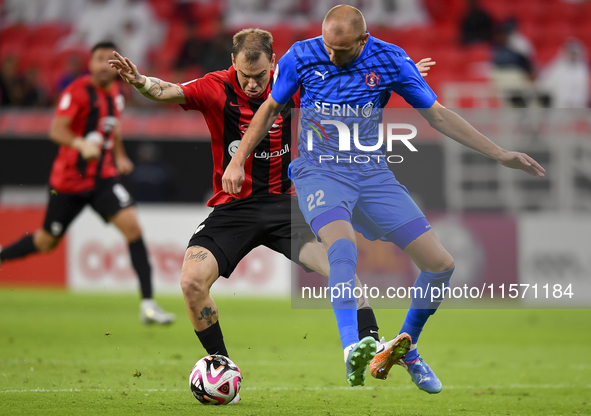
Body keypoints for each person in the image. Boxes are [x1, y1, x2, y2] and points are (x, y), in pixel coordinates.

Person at [222, 5, 546, 391]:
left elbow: (438, 115)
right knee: (342, 248)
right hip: (319, 171)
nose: (332, 55)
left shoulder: (391, 60)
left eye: (341, 51)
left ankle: (405, 349)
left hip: (372, 175)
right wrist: (238, 160)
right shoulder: (301, 55)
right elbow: (271, 108)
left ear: (363, 40)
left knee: (440, 264)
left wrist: (500, 154)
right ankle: (352, 349)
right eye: (328, 46)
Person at [108, 29, 436, 392]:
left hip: (286, 206)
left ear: (273, 65)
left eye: (260, 76)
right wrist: (139, 81)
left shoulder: (291, 82)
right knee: (190, 282)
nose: (251, 85)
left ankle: (369, 342)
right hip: (234, 209)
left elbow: (347, 89)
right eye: (245, 76)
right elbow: (167, 90)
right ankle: (220, 362)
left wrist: (396, 77)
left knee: (341, 266)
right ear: (232, 63)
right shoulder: (214, 86)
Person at [0, 42, 175, 325]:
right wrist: (81, 144)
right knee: (46, 242)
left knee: (133, 228)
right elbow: (57, 130)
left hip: (103, 179)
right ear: (90, 64)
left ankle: (148, 305)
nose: (104, 64)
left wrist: (119, 156)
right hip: (69, 183)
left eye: (110, 59)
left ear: (117, 64)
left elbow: (112, 126)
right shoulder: (77, 92)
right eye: (98, 59)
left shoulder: (116, 94)